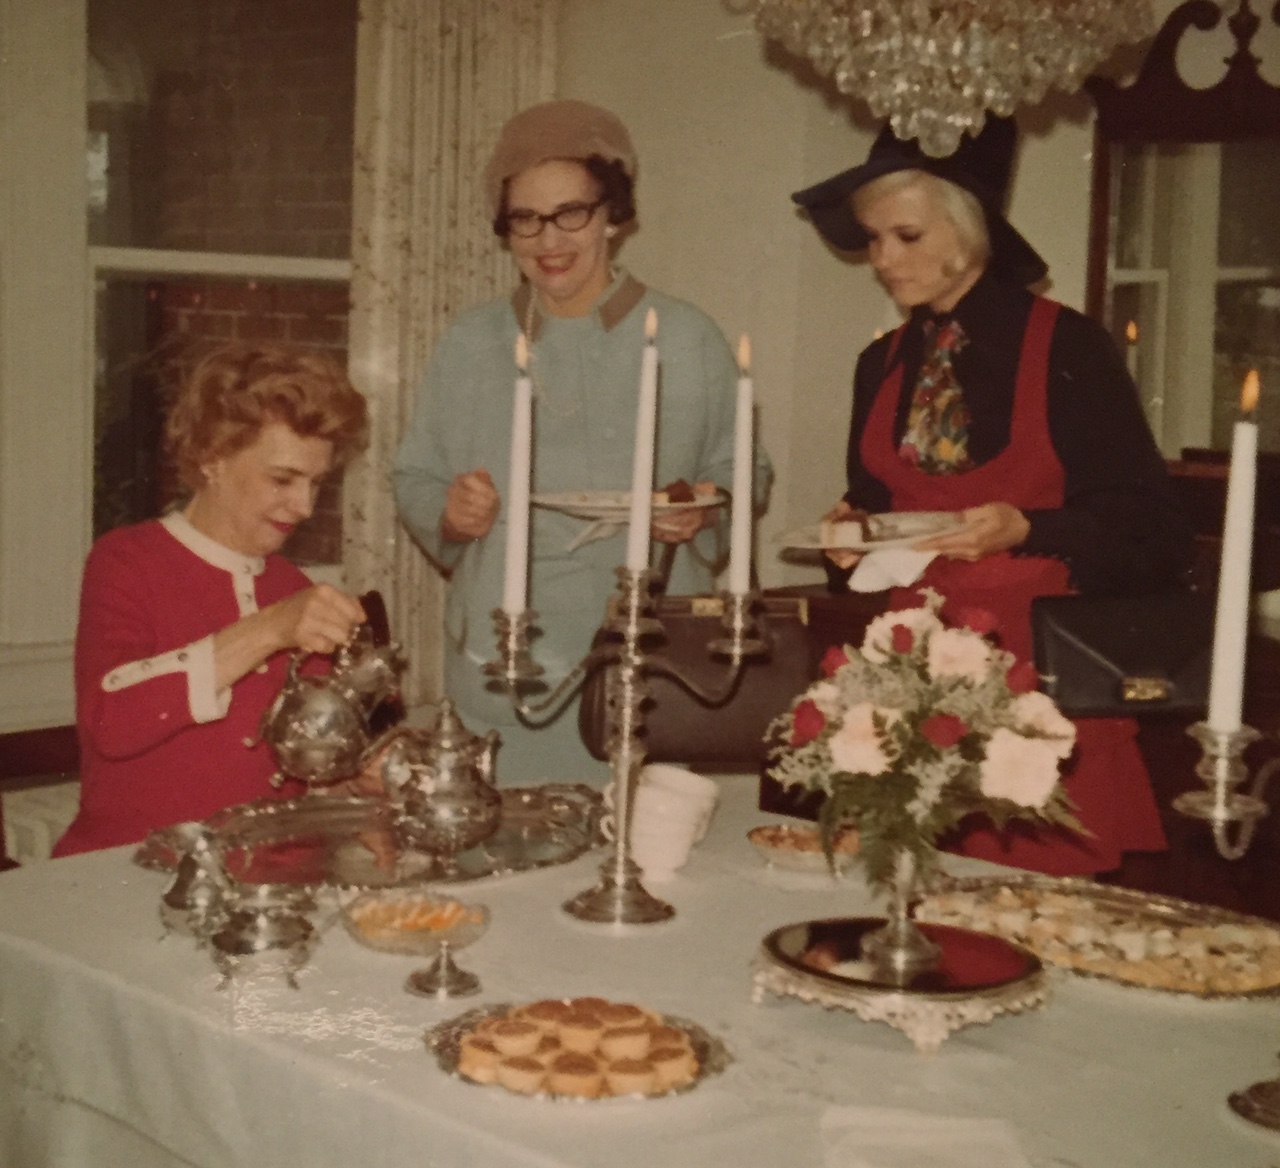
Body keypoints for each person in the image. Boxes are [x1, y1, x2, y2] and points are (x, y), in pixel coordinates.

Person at [791, 117, 1193, 876]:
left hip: (1038, 682)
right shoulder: (881, 363)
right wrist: (850, 536)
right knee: (910, 900)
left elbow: (1153, 532)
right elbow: (874, 508)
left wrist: (1027, 527)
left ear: (970, 229)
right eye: (873, 239)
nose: (882, 260)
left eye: (907, 236)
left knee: (1027, 912)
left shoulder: (1070, 346)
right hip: (909, 677)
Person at [394, 100, 772, 786]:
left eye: (571, 213)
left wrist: (706, 504)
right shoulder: (470, 343)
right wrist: (449, 512)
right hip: (506, 667)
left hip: (648, 664)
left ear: (612, 216)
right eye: (526, 219)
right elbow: (415, 476)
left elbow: (742, 468)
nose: (549, 239)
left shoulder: (685, 338)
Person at [54, 343, 371, 856]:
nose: (305, 507)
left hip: (260, 878)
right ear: (211, 458)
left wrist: (351, 781)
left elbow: (297, 776)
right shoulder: (127, 561)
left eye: (317, 483)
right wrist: (269, 629)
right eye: (283, 479)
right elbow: (108, 719)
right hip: (128, 869)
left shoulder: (293, 589)